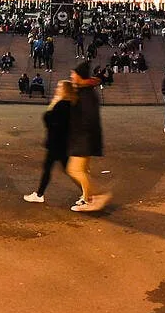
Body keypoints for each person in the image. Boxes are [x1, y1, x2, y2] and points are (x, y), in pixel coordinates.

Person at [23, 80, 76, 204]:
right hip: (62, 142)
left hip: (56, 142)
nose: (57, 89)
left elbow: (49, 119)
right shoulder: (70, 104)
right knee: (67, 169)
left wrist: (52, 105)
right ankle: (40, 194)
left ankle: (39, 194)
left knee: (55, 169)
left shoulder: (61, 104)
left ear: (64, 90)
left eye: (59, 87)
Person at [67, 61, 109, 212]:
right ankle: (87, 196)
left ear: (79, 75)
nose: (71, 76)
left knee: (75, 170)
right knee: (82, 170)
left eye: (73, 73)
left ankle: (91, 198)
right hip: (84, 138)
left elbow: (88, 118)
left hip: (84, 138)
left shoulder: (86, 93)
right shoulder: (85, 90)